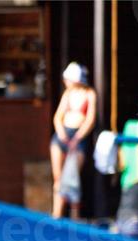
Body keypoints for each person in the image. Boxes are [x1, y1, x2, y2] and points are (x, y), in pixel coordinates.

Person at [50, 62, 96, 219]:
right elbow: (57, 117)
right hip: (62, 136)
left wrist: (77, 138)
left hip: (78, 137)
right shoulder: (68, 94)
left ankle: (74, 218)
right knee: (58, 178)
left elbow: (90, 119)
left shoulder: (89, 94)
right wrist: (62, 134)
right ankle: (56, 215)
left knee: (72, 178)